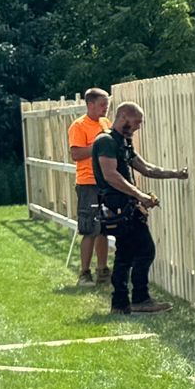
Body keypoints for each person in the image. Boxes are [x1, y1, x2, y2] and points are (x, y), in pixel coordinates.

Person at [91, 101, 188, 316]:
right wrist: (140, 195)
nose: (138, 127)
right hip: (118, 205)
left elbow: (146, 168)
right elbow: (111, 176)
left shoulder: (124, 143)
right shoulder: (106, 141)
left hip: (127, 205)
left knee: (125, 254)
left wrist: (176, 173)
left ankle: (120, 304)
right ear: (124, 117)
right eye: (136, 122)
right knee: (145, 250)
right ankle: (140, 299)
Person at [67, 87, 112, 286]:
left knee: (103, 228)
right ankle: (84, 273)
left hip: (105, 182)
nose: (105, 109)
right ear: (90, 104)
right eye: (102, 105)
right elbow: (76, 154)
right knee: (89, 229)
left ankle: (102, 269)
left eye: (107, 105)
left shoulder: (106, 123)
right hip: (88, 184)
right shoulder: (79, 126)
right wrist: (99, 145)